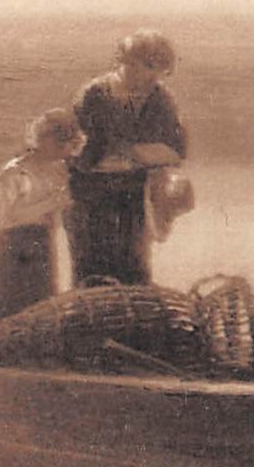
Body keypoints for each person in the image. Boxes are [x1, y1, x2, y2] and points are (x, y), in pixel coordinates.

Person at [64, 29, 187, 286]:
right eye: (149, 67)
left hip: (134, 197)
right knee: (93, 276)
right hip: (90, 198)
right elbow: (85, 154)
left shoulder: (159, 98)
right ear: (127, 63)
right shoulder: (95, 95)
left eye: (160, 71)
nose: (154, 77)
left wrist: (129, 153)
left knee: (135, 273)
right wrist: (143, 153)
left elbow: (175, 150)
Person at [0, 108, 84, 326]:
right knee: (8, 308)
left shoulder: (59, 170)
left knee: (41, 308)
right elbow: (7, 219)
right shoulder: (15, 171)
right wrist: (55, 202)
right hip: (12, 245)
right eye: (64, 144)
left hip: (42, 243)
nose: (68, 152)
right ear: (46, 140)